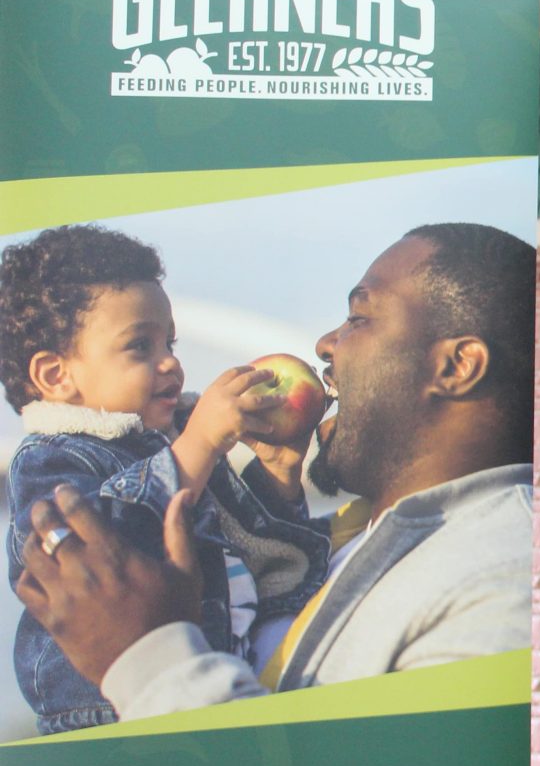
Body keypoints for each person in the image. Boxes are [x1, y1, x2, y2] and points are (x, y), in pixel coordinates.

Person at [14, 223, 537, 712]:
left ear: (456, 366)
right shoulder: (372, 536)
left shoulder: (501, 582)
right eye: (139, 346)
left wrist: (150, 664)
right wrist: (278, 479)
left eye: (358, 318)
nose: (325, 344)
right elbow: (262, 584)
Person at [1, 223, 328, 734]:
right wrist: (197, 444)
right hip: (110, 716)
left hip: (205, 684)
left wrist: (279, 474)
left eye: (170, 341)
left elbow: (267, 566)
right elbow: (105, 546)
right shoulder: (50, 461)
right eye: (140, 347)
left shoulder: (171, 448)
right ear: (55, 376)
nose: (172, 363)